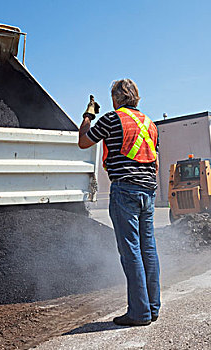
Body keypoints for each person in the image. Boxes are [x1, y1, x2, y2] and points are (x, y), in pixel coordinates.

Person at [78, 79, 160, 327]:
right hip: (149, 190)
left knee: (130, 251)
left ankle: (139, 313)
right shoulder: (150, 124)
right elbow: (154, 156)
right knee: (148, 249)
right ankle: (152, 308)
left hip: (125, 190)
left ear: (115, 99)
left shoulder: (111, 119)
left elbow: (83, 141)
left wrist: (88, 115)